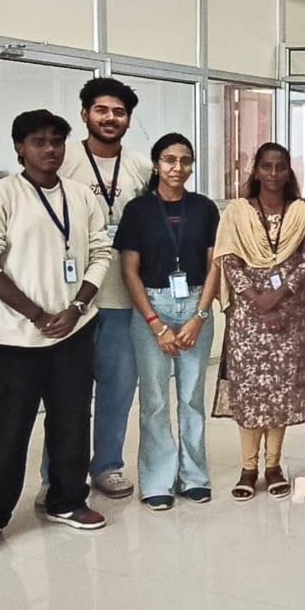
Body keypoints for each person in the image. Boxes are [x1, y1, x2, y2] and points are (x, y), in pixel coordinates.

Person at [0, 110, 113, 556]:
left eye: (56, 141)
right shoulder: (0, 196)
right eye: (38, 141)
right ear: (20, 147)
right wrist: (36, 314)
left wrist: (76, 307)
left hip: (75, 331)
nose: (50, 149)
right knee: (9, 431)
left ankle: (67, 500)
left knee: (72, 422)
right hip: (16, 340)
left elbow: (101, 253)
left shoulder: (81, 196)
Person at [53, 77, 152, 501]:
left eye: (119, 112)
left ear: (128, 119)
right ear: (85, 114)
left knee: (117, 388)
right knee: (65, 393)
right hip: (70, 300)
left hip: (121, 298)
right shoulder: (63, 161)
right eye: (101, 110)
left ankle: (108, 465)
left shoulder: (141, 168)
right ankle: (57, 475)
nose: (110, 118)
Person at [114, 133, 221, 510]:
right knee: (155, 399)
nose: (178, 167)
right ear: (157, 164)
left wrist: (199, 317)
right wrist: (155, 324)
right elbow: (129, 271)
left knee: (191, 397)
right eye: (169, 160)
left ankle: (194, 476)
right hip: (152, 305)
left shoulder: (204, 208)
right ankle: (157, 479)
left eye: (185, 160)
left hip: (195, 302)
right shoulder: (138, 210)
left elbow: (215, 265)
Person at [213, 143, 305, 501]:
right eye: (267, 166)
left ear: (289, 172)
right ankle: (248, 468)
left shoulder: (303, 213)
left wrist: (279, 295)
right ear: (255, 170)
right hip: (248, 318)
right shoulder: (237, 212)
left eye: (280, 167)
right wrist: (258, 300)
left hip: (291, 314)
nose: (273, 173)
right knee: (251, 391)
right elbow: (228, 259)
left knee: (280, 391)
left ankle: (273, 466)